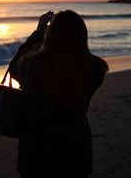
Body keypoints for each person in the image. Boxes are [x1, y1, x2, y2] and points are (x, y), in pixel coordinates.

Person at [9, 10, 109, 178]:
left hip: (36, 148)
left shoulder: (31, 65)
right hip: (76, 146)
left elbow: (14, 67)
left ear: (50, 34)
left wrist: (38, 34)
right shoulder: (96, 68)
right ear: (82, 35)